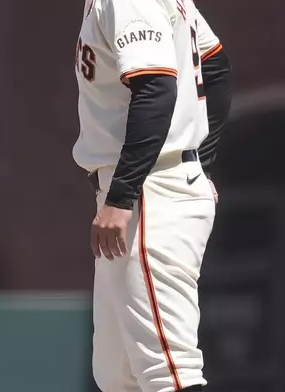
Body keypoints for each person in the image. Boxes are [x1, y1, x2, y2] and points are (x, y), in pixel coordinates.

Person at [73, 1, 232, 391]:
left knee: (169, 372)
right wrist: (199, 161)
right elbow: (215, 69)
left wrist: (122, 196)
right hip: (155, 182)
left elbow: (156, 89)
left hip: (149, 191)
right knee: (118, 374)